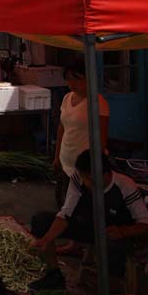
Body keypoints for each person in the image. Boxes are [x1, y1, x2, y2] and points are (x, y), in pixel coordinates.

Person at [29, 150, 148, 290]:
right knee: (41, 221)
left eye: (90, 179)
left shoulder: (124, 185)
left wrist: (123, 231)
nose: (86, 182)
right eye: (84, 177)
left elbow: (147, 225)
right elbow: (66, 214)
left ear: (105, 174)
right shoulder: (78, 178)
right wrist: (45, 239)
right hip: (89, 227)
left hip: (116, 235)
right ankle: (54, 275)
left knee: (113, 244)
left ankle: (111, 292)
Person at [54, 62, 111, 203]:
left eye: (77, 78)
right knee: (64, 204)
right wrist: (56, 156)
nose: (72, 83)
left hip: (84, 166)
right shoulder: (67, 98)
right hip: (65, 159)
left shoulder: (97, 102)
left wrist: (93, 167)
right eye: (68, 78)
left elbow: (102, 139)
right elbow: (62, 128)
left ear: (88, 78)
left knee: (81, 205)